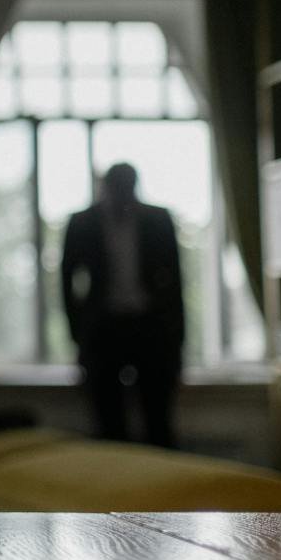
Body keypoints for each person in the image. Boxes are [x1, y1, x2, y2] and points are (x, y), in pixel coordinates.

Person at [61, 162, 184, 448]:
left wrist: (177, 339)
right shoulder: (83, 222)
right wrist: (78, 334)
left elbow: (176, 282)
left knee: (158, 422)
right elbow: (67, 283)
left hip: (150, 329)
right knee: (108, 424)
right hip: (104, 331)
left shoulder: (157, 220)